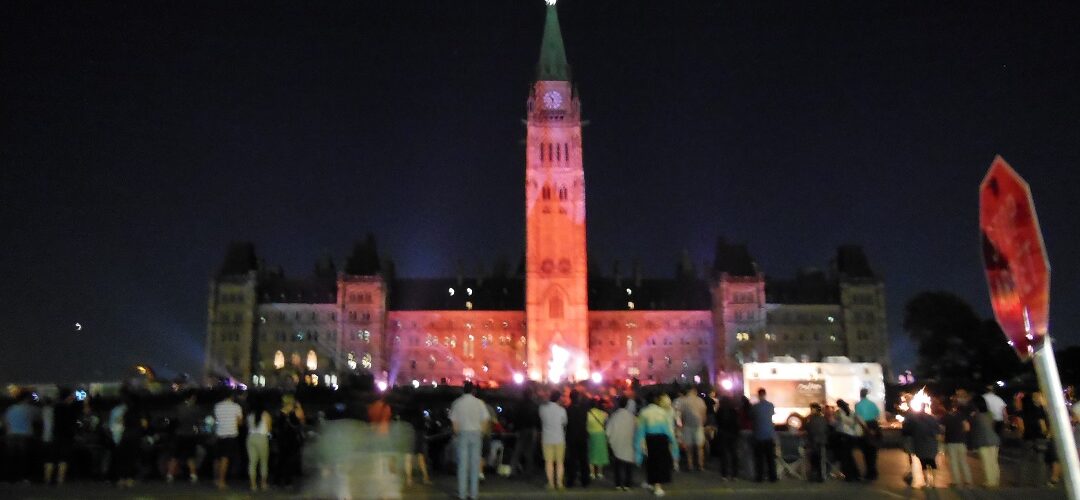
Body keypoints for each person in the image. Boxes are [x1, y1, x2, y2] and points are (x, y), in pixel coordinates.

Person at [450, 381, 491, 500]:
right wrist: (481, 432)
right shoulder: (479, 403)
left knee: (462, 465)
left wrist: (457, 434)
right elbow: (485, 420)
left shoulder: (457, 403)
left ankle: (462, 494)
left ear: (463, 390)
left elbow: (455, 424)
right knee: (475, 465)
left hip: (463, 434)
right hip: (476, 434)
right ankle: (474, 494)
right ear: (473, 390)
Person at [635, 393, 678, 497]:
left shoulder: (643, 412)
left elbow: (640, 431)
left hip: (650, 439)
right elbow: (667, 429)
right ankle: (658, 487)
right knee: (660, 462)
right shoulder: (662, 412)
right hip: (662, 439)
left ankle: (650, 482)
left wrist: (639, 445)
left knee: (651, 461)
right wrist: (673, 442)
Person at [43, 389, 78, 485]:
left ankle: (48, 479)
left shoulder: (52, 408)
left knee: (50, 458)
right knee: (63, 458)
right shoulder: (69, 409)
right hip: (65, 436)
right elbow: (72, 424)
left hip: (52, 435)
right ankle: (60, 479)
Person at [902, 401, 940, 488]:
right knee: (932, 463)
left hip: (920, 444)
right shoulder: (931, 418)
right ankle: (933, 483)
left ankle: (927, 483)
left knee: (924, 464)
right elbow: (937, 430)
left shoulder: (915, 419)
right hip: (931, 444)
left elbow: (908, 430)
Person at [3, 390, 38, 483]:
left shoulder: (10, 409)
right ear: (26, 398)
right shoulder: (30, 409)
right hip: (25, 435)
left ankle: (11, 477)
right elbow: (38, 418)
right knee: (24, 458)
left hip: (11, 435)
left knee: (12, 457)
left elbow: (5, 422)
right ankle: (24, 477)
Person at [168, 393, 203, 483]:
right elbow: (198, 422)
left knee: (175, 456)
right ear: (192, 397)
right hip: (190, 434)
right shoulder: (195, 409)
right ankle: (193, 475)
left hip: (179, 434)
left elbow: (174, 420)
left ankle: (170, 475)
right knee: (190, 457)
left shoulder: (179, 408)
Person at [272, 394, 305, 488]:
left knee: (281, 460)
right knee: (289, 461)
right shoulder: (296, 411)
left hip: (282, 439)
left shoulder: (280, 412)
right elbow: (302, 421)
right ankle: (287, 481)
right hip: (292, 439)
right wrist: (299, 407)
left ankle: (277, 480)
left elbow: (277, 426)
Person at [212, 392, 243, 490]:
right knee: (225, 459)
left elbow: (216, 419)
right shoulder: (236, 407)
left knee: (217, 459)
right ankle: (221, 481)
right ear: (232, 397)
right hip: (230, 435)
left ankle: (216, 479)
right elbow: (239, 422)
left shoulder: (217, 406)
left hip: (219, 434)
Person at [539, 390, 568, 490]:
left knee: (549, 462)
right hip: (559, 438)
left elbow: (541, 418)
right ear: (559, 398)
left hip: (547, 439)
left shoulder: (542, 409)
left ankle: (550, 484)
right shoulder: (562, 410)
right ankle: (559, 483)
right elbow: (564, 423)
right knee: (560, 462)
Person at [606, 396, 636, 491]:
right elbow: (636, 430)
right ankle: (627, 484)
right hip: (628, 442)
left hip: (617, 443)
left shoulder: (615, 416)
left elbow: (608, 431)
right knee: (628, 464)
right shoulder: (631, 417)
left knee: (618, 464)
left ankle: (618, 484)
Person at [941, 399, 973, 487]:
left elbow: (942, 430)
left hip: (950, 442)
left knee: (953, 462)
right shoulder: (961, 415)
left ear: (945, 407)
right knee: (963, 461)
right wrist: (961, 433)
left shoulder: (945, 417)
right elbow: (967, 427)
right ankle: (968, 480)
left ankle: (956, 481)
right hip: (962, 441)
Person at [508, 389, 540, 478]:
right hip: (531, 430)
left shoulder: (519, 405)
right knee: (529, 452)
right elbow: (537, 419)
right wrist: (537, 429)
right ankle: (528, 472)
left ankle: (512, 472)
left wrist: (515, 429)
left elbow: (515, 417)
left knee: (517, 451)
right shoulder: (534, 405)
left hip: (522, 430)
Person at [675, 386, 707, 472]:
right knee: (700, 447)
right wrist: (702, 423)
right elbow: (704, 413)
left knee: (689, 448)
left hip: (687, 426)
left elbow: (679, 415)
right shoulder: (700, 401)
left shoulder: (684, 401)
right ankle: (700, 465)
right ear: (695, 392)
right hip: (698, 426)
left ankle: (690, 465)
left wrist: (679, 426)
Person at [971, 395, 1001, 487]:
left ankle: (990, 481)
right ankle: (995, 480)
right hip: (994, 439)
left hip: (984, 441)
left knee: (987, 462)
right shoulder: (990, 414)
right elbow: (992, 426)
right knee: (994, 461)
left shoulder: (976, 416)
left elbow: (976, 430)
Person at [564, 390, 591, 488]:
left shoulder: (568, 409)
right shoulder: (584, 409)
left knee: (572, 460)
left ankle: (571, 480)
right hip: (582, 436)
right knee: (583, 460)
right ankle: (585, 480)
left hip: (571, 437)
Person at [750, 388, 777, 483]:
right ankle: (773, 477)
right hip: (769, 435)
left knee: (759, 459)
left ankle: (759, 477)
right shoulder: (770, 405)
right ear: (765, 395)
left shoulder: (754, 407)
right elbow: (772, 415)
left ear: (758, 396)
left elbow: (752, 417)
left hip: (758, 435)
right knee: (770, 459)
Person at [853, 388, 880, 480]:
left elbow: (858, 418)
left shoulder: (858, 405)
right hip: (874, 426)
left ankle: (870, 473)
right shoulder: (872, 404)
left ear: (860, 394)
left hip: (865, 428)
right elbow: (877, 415)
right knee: (873, 451)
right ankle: (874, 471)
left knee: (866, 451)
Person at [834, 399, 862, 482]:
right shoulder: (851, 412)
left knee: (845, 457)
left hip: (843, 435)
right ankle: (856, 474)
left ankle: (849, 475)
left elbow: (835, 423)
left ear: (839, 405)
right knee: (850, 456)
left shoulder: (839, 413)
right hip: (852, 435)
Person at [246, 401, 272, 491]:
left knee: (252, 462)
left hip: (251, 438)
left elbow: (248, 427)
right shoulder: (266, 414)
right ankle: (263, 484)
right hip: (262, 438)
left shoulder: (250, 415)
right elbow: (269, 428)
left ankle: (253, 485)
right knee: (263, 462)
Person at [714, 391, 740, 481]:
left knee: (724, 455)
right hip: (733, 435)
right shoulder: (734, 411)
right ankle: (734, 475)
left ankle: (724, 475)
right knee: (734, 455)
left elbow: (717, 422)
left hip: (723, 434)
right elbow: (737, 423)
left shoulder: (719, 411)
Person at [404, 407, 432, 487]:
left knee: (408, 458)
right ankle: (426, 478)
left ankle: (409, 479)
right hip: (419, 434)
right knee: (421, 458)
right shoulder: (420, 413)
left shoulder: (406, 412)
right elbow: (425, 426)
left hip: (410, 434)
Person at [803, 402, 829, 482]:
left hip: (814, 442)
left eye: (811, 409)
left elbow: (808, 428)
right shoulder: (823, 419)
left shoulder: (811, 419)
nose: (810, 411)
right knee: (820, 460)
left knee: (814, 460)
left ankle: (814, 476)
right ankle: (821, 476)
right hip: (821, 442)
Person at [586, 399, 610, 480]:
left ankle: (592, 473)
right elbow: (607, 422)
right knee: (601, 453)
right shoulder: (603, 413)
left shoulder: (587, 414)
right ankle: (600, 473)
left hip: (591, 435)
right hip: (601, 435)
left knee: (591, 453)